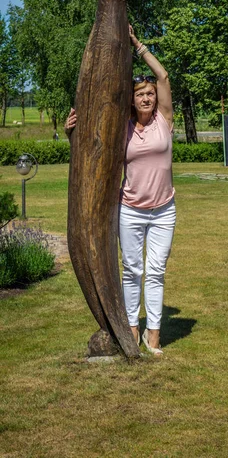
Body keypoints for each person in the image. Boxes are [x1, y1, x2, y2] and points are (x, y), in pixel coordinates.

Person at [65, 24, 176, 356]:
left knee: (156, 271)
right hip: (130, 210)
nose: (146, 97)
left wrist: (137, 45)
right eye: (140, 94)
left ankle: (152, 335)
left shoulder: (164, 121)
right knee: (131, 270)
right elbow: (93, 152)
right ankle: (130, 328)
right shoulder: (122, 129)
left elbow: (165, 76)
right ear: (132, 99)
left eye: (150, 93)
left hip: (163, 210)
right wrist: (74, 135)